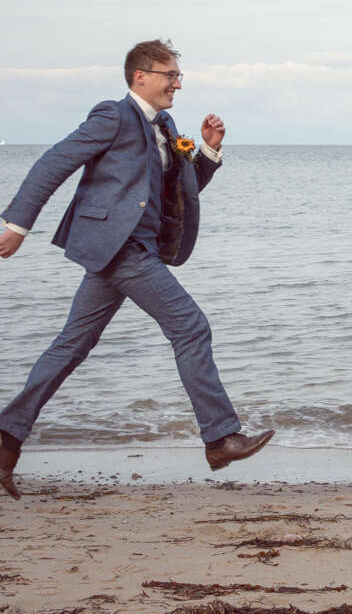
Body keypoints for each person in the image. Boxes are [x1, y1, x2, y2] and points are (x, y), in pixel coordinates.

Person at [0, 40, 273, 500]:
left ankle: (5, 440)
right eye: (171, 75)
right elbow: (53, 164)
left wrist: (207, 153)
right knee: (190, 326)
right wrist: (16, 225)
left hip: (128, 249)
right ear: (140, 76)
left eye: (179, 76)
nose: (177, 84)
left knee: (71, 345)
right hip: (123, 248)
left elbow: (180, 191)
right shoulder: (113, 116)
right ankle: (220, 438)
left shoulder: (165, 126)